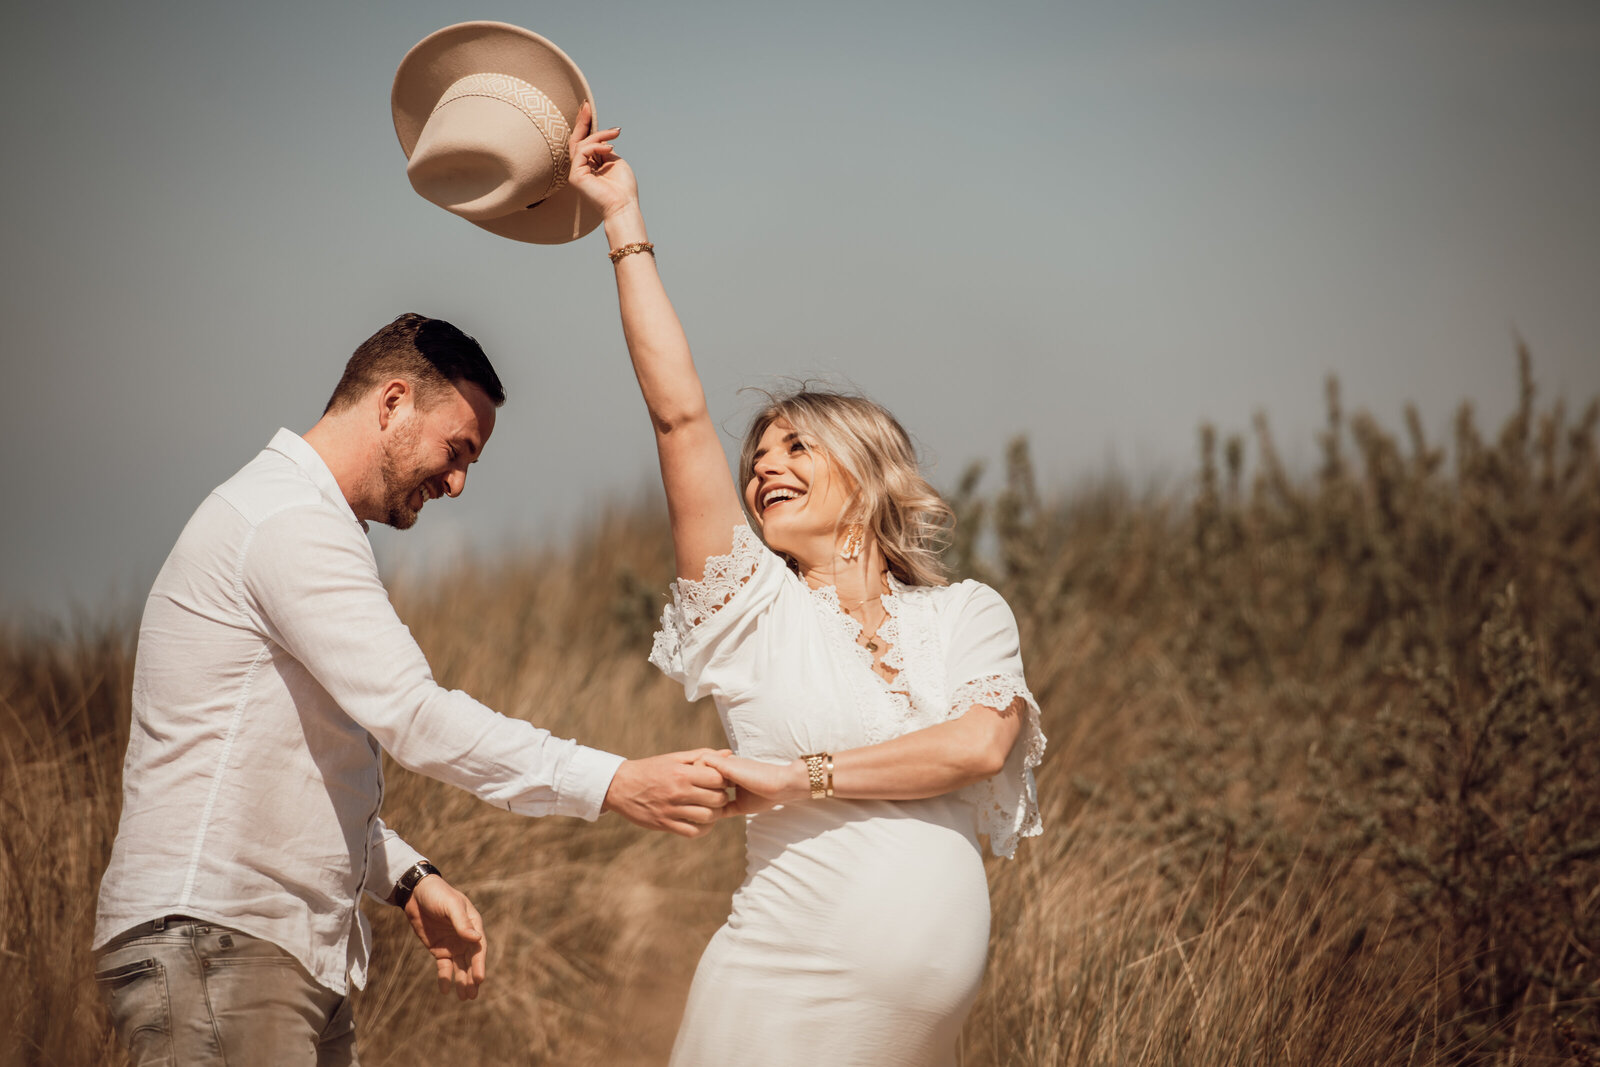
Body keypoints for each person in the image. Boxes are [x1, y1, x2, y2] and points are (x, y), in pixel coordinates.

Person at [91, 312, 730, 1066]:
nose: (456, 483)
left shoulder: (305, 519)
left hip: (264, 952)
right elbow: (415, 715)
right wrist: (614, 781)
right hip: (220, 945)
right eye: (456, 450)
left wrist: (407, 878)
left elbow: (299, 761)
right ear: (392, 402)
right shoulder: (289, 520)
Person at [563, 106, 1047, 1066]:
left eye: (796, 446)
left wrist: (795, 779)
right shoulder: (752, 611)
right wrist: (623, 220)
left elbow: (979, 742)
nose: (763, 468)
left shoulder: (964, 615)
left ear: (868, 474)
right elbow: (678, 416)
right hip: (772, 1010)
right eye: (756, 457)